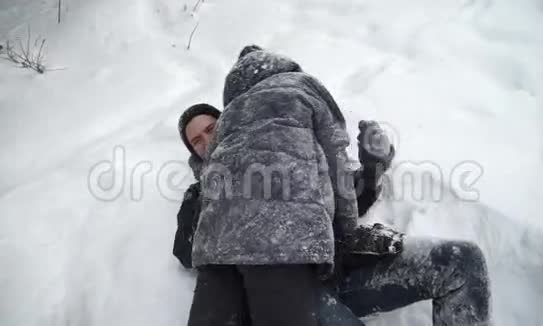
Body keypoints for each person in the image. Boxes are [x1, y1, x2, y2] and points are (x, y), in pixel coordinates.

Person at [175, 46, 491, 326]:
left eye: (211, 129)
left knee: (460, 260)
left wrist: (373, 165)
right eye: (196, 141)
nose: (206, 142)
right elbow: (189, 254)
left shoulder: (293, 149)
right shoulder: (199, 194)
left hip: (337, 268)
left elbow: (349, 197)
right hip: (284, 297)